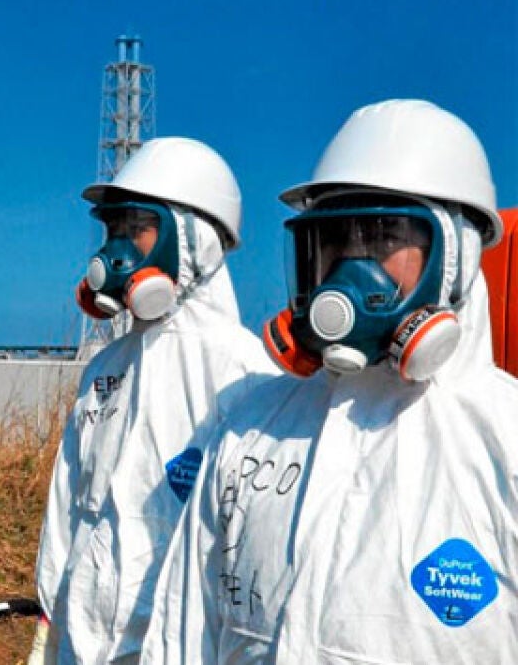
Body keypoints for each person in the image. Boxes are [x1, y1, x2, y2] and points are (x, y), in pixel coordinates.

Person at [141, 99, 518, 664]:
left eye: (383, 239)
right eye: (335, 241)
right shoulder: (252, 428)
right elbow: (183, 630)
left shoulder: (504, 442)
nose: (348, 268)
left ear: (456, 257)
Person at [28, 137, 277, 664]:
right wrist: (50, 626)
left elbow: (252, 551)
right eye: (113, 228)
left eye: (137, 227)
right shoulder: (105, 370)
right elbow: (66, 509)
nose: (118, 248)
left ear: (195, 241)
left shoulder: (244, 373)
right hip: (84, 643)